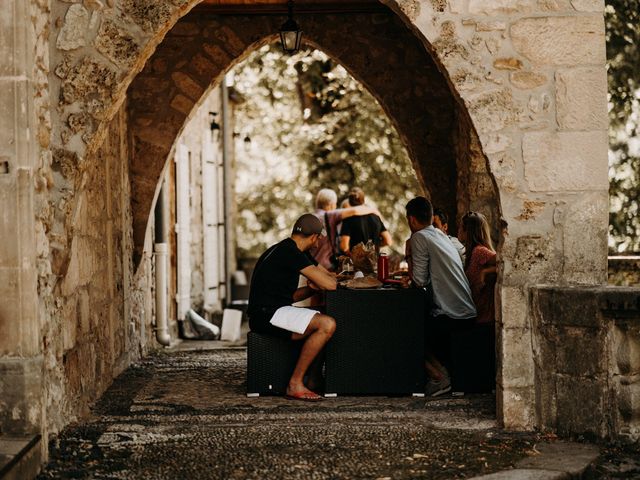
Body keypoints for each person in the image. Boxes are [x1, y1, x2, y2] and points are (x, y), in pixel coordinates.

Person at [248, 214, 338, 401]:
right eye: (319, 238)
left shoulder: (289, 250)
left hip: (271, 310)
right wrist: (324, 282)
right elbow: (331, 285)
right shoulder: (290, 253)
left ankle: (313, 379)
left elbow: (289, 296)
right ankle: (295, 383)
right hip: (266, 316)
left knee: (325, 312)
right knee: (326, 324)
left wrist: (312, 289)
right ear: (314, 237)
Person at [405, 197, 476, 397]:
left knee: (405, 329)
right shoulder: (440, 234)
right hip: (466, 309)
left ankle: (438, 377)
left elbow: (419, 280)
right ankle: (439, 374)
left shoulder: (419, 237)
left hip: (451, 315)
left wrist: (409, 255)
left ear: (411, 219)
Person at [311, 188, 382, 271]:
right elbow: (354, 211)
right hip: (325, 267)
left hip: (310, 267)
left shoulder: (311, 217)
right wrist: (374, 210)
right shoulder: (330, 216)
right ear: (331, 204)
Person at [459, 211, 497, 324]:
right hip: (477, 315)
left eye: (461, 227)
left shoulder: (479, 251)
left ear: (468, 231)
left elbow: (506, 262)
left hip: (483, 318)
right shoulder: (473, 252)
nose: (458, 230)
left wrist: (485, 271)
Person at [339, 187, 393, 254]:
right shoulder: (376, 217)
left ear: (349, 202)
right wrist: (374, 246)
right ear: (363, 200)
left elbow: (344, 247)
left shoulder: (348, 219)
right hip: (374, 260)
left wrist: (352, 256)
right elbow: (388, 241)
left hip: (356, 261)